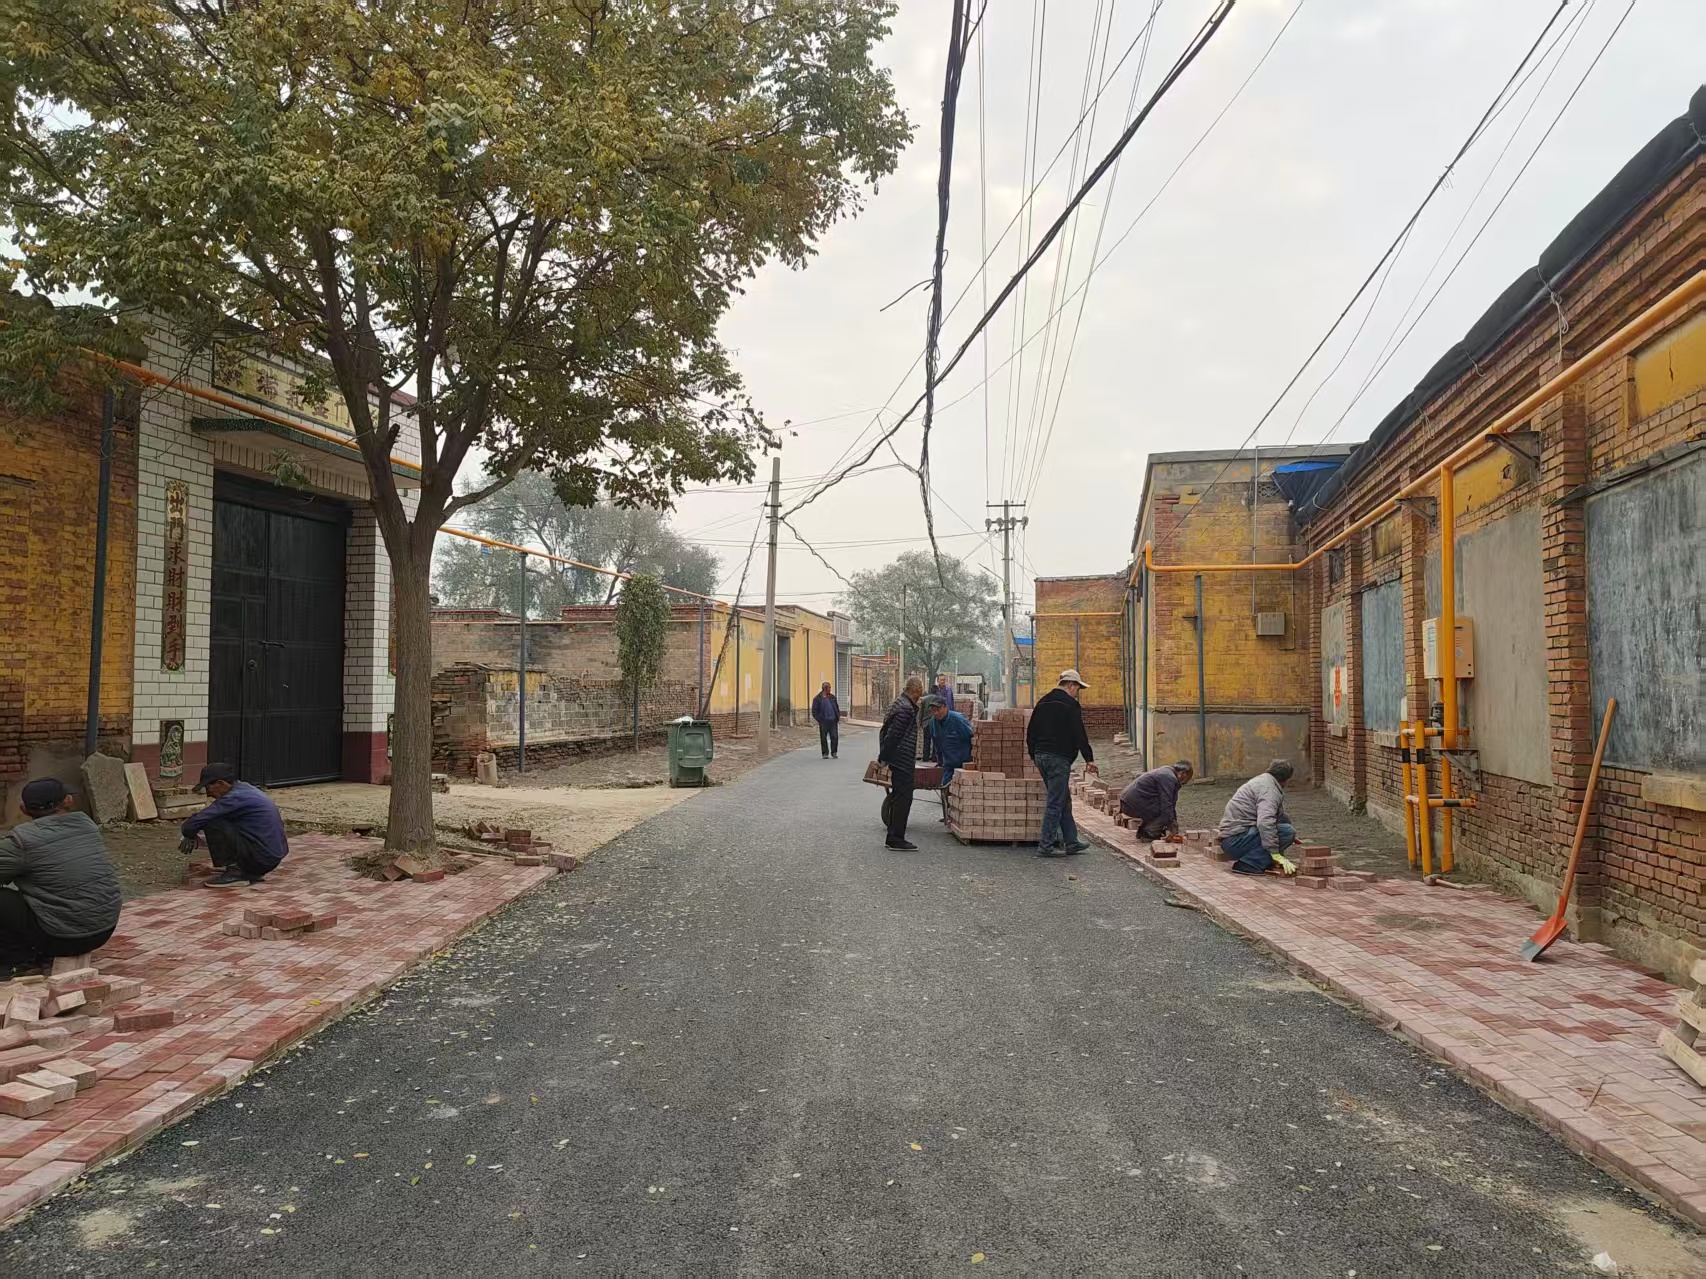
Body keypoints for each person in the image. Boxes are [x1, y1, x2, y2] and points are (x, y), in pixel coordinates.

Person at [0, 778, 122, 974]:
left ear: (23, 809)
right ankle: (37, 952)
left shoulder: (21, 841)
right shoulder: (87, 826)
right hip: (104, 929)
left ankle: (15, 962)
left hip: (64, 937)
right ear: (67, 801)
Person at [179, 763, 290, 887]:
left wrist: (188, 833)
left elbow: (200, 819)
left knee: (212, 821)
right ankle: (248, 871)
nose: (208, 794)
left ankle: (236, 873)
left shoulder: (235, 797)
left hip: (262, 858)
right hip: (270, 856)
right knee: (220, 818)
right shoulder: (245, 789)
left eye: (208, 787)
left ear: (221, 783)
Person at [1027, 669, 1097, 858]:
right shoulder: (1070, 705)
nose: (1077, 693)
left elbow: (1031, 731)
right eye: (1077, 689)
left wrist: (1034, 754)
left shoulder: (1043, 702)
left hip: (1041, 756)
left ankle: (1071, 842)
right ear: (1071, 685)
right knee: (1055, 802)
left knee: (1063, 798)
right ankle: (1046, 846)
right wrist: (1089, 758)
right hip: (1058, 758)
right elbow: (1079, 733)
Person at [1218, 760, 1298, 875]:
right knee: (1288, 832)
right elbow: (1265, 822)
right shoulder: (1269, 790)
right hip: (1235, 842)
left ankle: (1265, 861)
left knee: (1284, 822)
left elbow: (1277, 816)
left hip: (1233, 838)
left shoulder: (1263, 780)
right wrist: (1275, 852)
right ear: (1287, 779)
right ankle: (1249, 864)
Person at [878, 676, 925, 851]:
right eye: (920, 692)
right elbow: (893, 736)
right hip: (901, 759)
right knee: (903, 799)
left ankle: (894, 836)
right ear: (916, 690)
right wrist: (883, 758)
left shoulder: (899, 703)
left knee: (899, 798)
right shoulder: (905, 708)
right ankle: (896, 838)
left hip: (898, 758)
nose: (920, 696)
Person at [1120, 760, 1194, 841]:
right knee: (1164, 811)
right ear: (1183, 773)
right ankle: (1148, 834)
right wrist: (1172, 827)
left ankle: (1143, 832)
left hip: (1128, 801)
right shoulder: (1169, 777)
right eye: (1186, 780)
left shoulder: (1167, 771)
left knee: (1164, 810)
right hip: (1132, 804)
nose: (1184, 783)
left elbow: (1171, 803)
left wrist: (1173, 825)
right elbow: (1167, 804)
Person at [923, 696, 974, 788]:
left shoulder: (958, 720)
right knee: (945, 788)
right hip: (948, 765)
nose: (936, 713)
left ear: (945, 707)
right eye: (933, 710)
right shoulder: (933, 723)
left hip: (963, 764)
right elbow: (937, 744)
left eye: (938, 710)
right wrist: (940, 761)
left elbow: (971, 738)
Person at [811, 681, 843, 760]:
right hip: (824, 721)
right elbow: (814, 711)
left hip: (833, 721)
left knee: (834, 737)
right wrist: (819, 719)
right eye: (829, 688)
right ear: (825, 689)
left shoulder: (832, 697)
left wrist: (837, 716)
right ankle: (825, 753)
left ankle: (834, 752)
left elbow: (836, 708)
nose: (830, 689)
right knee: (823, 738)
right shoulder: (817, 699)